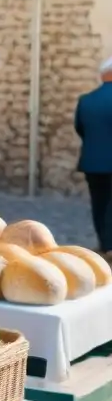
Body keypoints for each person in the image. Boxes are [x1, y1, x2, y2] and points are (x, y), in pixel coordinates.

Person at [75, 54, 112, 255]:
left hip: (92, 161)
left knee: (99, 203)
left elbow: (80, 129)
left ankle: (104, 244)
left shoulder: (86, 100)